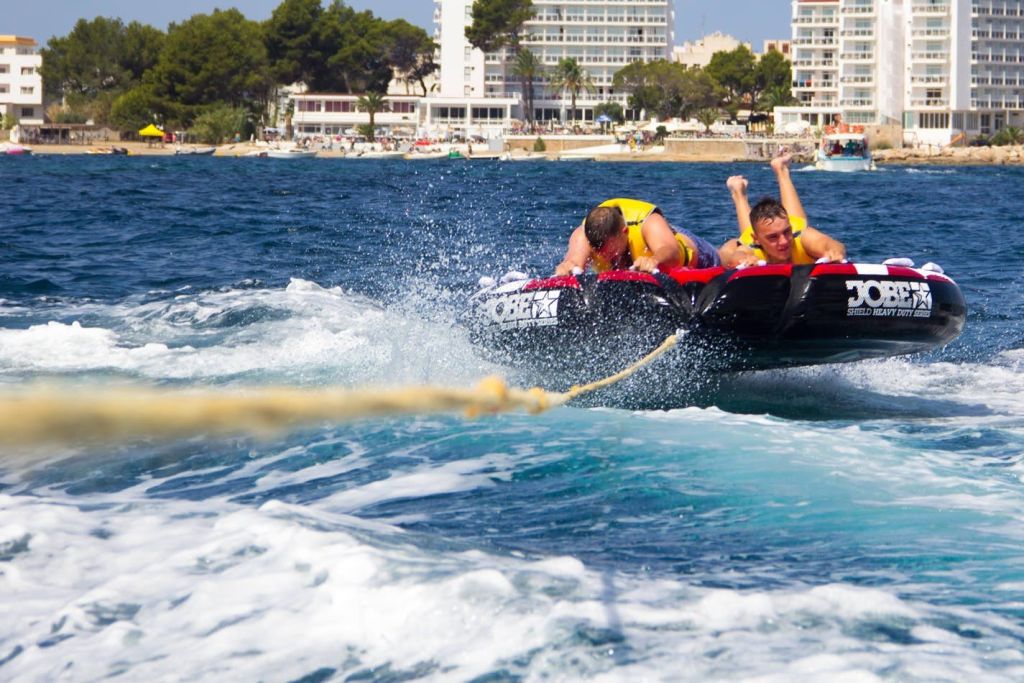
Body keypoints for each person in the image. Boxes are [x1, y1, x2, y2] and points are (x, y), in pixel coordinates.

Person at [718, 153, 846, 267]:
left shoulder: (801, 237)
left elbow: (830, 244)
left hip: (786, 228)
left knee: (798, 223)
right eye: (773, 237)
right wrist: (744, 261)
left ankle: (781, 169)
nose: (784, 241)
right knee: (739, 240)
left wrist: (833, 252)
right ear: (756, 240)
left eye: (786, 232)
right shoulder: (751, 248)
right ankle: (739, 192)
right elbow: (737, 257)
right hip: (753, 241)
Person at [554, 198, 721, 276]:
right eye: (600, 252)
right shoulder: (584, 236)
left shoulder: (649, 223)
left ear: (624, 233)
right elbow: (574, 261)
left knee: (726, 259)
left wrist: (654, 260)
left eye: (610, 251)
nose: (606, 257)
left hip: (695, 254)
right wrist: (566, 267)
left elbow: (671, 250)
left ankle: (738, 247)